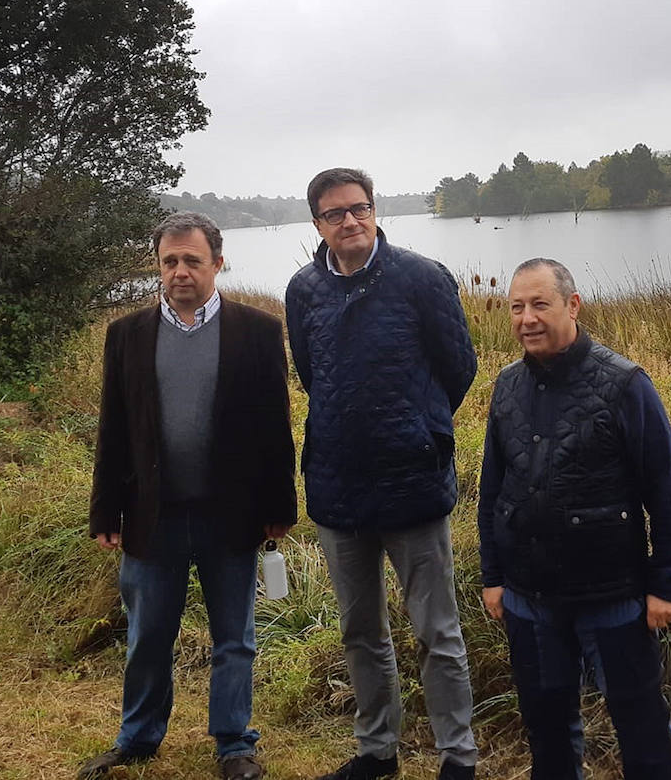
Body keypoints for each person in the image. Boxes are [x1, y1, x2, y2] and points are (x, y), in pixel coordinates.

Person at [80, 212, 296, 780]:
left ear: (217, 264)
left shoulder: (257, 330)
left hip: (232, 514)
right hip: (153, 515)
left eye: (192, 261)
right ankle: (138, 737)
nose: (180, 271)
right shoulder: (127, 335)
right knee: (149, 634)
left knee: (235, 638)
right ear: (160, 266)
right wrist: (105, 508)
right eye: (170, 260)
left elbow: (276, 424)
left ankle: (234, 745)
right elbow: (114, 428)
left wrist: (280, 506)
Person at [285, 168, 479, 780]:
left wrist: (420, 427)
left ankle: (458, 757)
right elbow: (313, 376)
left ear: (375, 210)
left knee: (436, 633)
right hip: (338, 488)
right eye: (335, 213)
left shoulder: (422, 278)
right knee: (361, 633)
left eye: (359, 208)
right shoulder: (303, 291)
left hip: (413, 485)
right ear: (317, 223)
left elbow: (459, 367)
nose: (350, 221)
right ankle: (377, 752)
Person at [478, 258, 671, 780]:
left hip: (613, 597)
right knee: (547, 731)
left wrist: (666, 583)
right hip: (529, 599)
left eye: (540, 304)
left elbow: (665, 490)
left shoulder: (625, 385)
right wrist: (493, 577)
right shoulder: (506, 387)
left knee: (641, 729)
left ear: (572, 305)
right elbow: (493, 492)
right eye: (517, 307)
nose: (527, 318)